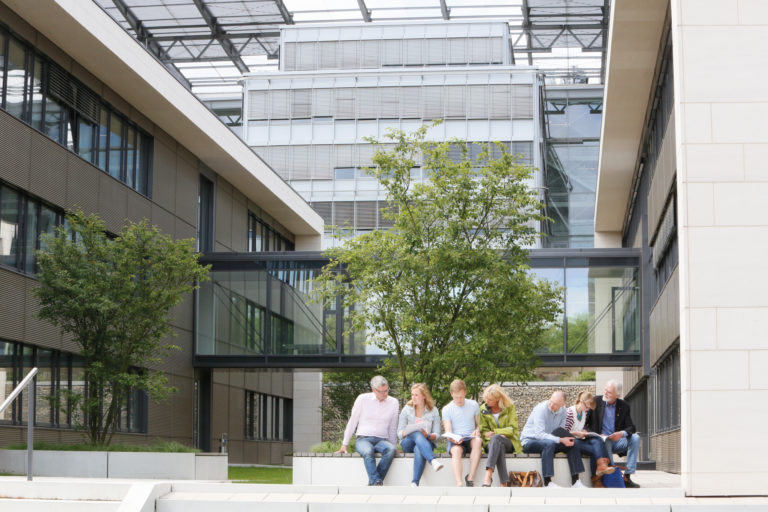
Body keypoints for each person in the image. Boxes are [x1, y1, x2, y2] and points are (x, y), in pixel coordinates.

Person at [336, 375, 399, 486]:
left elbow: (392, 427)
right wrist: (344, 444)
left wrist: (394, 445)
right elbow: (353, 421)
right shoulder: (362, 399)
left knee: (390, 450)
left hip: (381, 440)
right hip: (363, 439)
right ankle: (376, 481)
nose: (385, 394)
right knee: (368, 451)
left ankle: (374, 482)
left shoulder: (393, 402)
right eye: (382, 391)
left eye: (387, 390)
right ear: (373, 390)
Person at [520, 390, 587, 488]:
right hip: (530, 441)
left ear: (562, 404)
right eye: (551, 401)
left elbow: (560, 430)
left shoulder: (563, 411)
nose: (551, 405)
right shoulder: (541, 409)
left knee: (573, 443)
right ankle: (548, 483)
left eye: (555, 404)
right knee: (549, 444)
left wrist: (564, 438)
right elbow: (539, 435)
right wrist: (560, 440)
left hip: (548, 440)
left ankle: (575, 482)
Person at [585, 380, 641, 488]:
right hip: (603, 441)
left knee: (635, 438)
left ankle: (628, 476)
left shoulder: (624, 406)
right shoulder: (596, 401)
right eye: (605, 390)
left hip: (617, 441)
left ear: (617, 395)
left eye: (609, 392)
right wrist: (597, 435)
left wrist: (621, 433)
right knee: (606, 442)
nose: (605, 393)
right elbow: (586, 425)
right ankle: (616, 475)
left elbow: (631, 427)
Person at [397, 383, 444, 486]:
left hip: (426, 442)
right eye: (412, 394)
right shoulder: (407, 409)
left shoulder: (434, 411)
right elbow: (399, 432)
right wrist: (409, 431)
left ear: (424, 396)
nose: (413, 397)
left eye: (416, 395)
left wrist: (427, 435)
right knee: (417, 432)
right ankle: (433, 461)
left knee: (419, 448)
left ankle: (414, 483)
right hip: (408, 442)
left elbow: (437, 434)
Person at [565, 390, 615, 487]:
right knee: (597, 449)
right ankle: (597, 478)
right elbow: (563, 433)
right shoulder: (570, 413)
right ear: (581, 401)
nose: (587, 409)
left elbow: (581, 427)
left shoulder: (584, 413)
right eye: (587, 407)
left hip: (578, 439)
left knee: (598, 440)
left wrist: (584, 432)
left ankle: (600, 468)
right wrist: (577, 433)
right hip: (569, 441)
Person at [477, 384, 522, 487]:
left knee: (497, 438)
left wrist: (497, 432)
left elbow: (513, 429)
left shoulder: (509, 407)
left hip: (509, 443)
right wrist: (488, 434)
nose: (487, 402)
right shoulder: (483, 409)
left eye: (490, 400)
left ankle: (488, 475)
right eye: (486, 399)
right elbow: (483, 430)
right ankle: (503, 482)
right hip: (490, 443)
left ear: (498, 399)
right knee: (497, 442)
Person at [441, 379, 482, 487]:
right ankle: (459, 483)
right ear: (451, 394)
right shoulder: (447, 409)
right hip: (456, 439)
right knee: (456, 451)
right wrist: (453, 439)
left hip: (470, 437)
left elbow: (479, 425)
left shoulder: (474, 405)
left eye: (461, 397)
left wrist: (477, 430)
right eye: (456, 397)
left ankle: (470, 478)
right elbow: (448, 431)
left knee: (478, 441)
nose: (459, 400)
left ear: (465, 392)